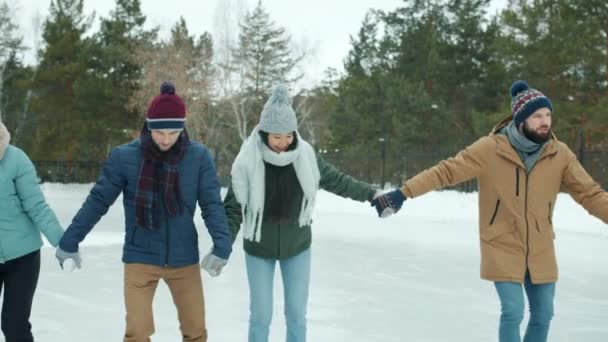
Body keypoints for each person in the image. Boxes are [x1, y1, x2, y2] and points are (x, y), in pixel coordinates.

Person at [371, 80, 608, 342]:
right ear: (520, 120)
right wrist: (403, 193)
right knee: (513, 311)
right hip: (502, 241)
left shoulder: (559, 153)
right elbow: (446, 171)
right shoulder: (490, 148)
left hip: (540, 245)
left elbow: (590, 193)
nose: (545, 122)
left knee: (544, 313)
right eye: (538, 116)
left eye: (548, 115)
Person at [55, 82, 232, 342]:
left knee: (195, 332)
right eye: (159, 132)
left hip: (184, 259)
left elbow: (212, 204)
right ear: (148, 126)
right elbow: (98, 201)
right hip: (140, 256)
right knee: (137, 333)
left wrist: (222, 246)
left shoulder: (198, 157)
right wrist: (70, 241)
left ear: (182, 128)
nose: (165, 139)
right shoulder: (124, 157)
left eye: (173, 132)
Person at [223, 84, 380, 342]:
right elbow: (232, 208)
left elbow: (339, 181)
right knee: (261, 316)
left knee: (297, 315)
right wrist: (222, 245)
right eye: (276, 137)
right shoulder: (247, 161)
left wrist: (371, 194)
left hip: (297, 248)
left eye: (288, 136)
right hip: (258, 249)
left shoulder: (306, 157)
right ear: (264, 134)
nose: (284, 143)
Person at [0, 120, 65, 342]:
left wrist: (63, 242)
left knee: (14, 323)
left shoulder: (16, 159)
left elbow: (36, 205)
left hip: (22, 256)